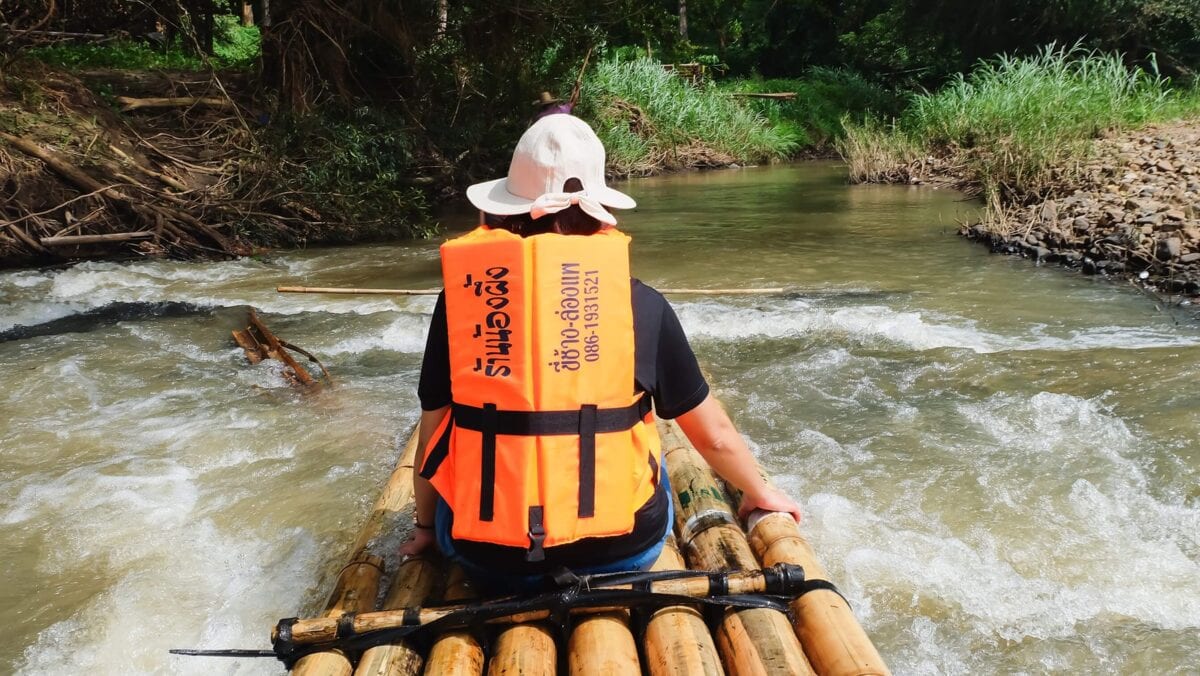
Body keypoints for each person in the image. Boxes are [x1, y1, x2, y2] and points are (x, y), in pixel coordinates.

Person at [400, 115, 800, 592]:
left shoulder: (465, 301)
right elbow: (712, 437)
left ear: (506, 210)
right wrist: (761, 493)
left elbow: (434, 427)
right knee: (652, 461)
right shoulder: (642, 304)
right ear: (597, 211)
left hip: (490, 559)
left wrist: (426, 527)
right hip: (622, 551)